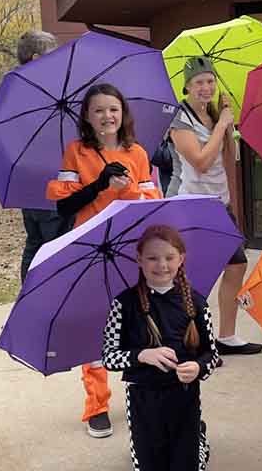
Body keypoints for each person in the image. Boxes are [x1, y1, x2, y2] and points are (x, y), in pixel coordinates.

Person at [47, 83, 162, 439]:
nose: (107, 116)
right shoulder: (76, 152)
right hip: (90, 248)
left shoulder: (138, 153)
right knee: (96, 324)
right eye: (98, 110)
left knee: (140, 318)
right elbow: (62, 205)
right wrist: (98, 184)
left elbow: (150, 200)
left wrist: (125, 189)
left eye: (113, 109)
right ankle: (97, 404)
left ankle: (144, 389)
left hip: (131, 246)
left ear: (123, 113)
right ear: (86, 116)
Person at [101, 225, 218, 471]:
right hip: (144, 398)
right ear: (139, 259)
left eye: (169, 257)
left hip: (184, 395)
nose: (161, 265)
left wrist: (198, 367)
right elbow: (109, 356)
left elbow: (212, 353)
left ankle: (197, 435)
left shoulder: (196, 303)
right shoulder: (124, 304)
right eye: (152, 258)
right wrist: (141, 354)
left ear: (181, 259)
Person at [169, 56, 262, 355]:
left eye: (210, 81)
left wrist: (227, 124)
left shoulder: (214, 115)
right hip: (191, 205)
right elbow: (200, 162)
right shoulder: (179, 119)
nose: (206, 88)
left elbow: (227, 159)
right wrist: (222, 125)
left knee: (236, 264)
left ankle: (227, 335)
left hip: (218, 204)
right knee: (196, 273)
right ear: (187, 87)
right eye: (199, 83)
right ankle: (189, 341)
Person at [15, 31, 73, 280]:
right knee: (54, 245)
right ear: (36, 58)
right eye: (54, 55)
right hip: (48, 182)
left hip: (27, 183)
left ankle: (28, 299)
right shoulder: (41, 94)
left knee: (36, 242)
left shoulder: (14, 89)